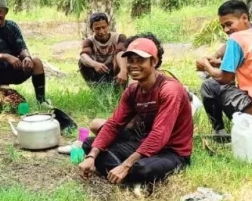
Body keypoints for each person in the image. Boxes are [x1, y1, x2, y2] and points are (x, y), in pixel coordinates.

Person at [78, 35, 192, 187]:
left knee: (142, 168)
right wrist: (92, 156)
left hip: (171, 151)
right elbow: (113, 125)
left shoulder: (170, 90)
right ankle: (125, 176)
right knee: (89, 144)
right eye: (130, 60)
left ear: (154, 62)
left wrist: (126, 164)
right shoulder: (132, 90)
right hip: (143, 143)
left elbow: (159, 134)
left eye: (140, 60)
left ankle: (121, 172)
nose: (134, 65)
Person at [196, 0, 252, 135]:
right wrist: (219, 63)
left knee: (210, 86)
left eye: (229, 24)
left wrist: (206, 66)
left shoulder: (236, 38)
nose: (226, 30)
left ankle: (219, 133)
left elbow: (225, 78)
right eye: (223, 26)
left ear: (244, 18)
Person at [0, 0, 49, 118]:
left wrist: (26, 57)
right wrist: (6, 56)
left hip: (12, 69)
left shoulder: (12, 26)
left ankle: (41, 101)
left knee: (36, 62)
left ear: (6, 11)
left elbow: (22, 47)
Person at [78, 12, 128, 88]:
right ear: (92, 29)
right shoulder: (89, 41)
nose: (101, 31)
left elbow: (121, 53)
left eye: (103, 27)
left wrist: (123, 70)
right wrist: (94, 64)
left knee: (124, 58)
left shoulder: (119, 37)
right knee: (82, 62)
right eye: (97, 28)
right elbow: (83, 55)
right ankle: (95, 89)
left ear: (108, 25)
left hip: (115, 70)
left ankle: (120, 88)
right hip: (98, 71)